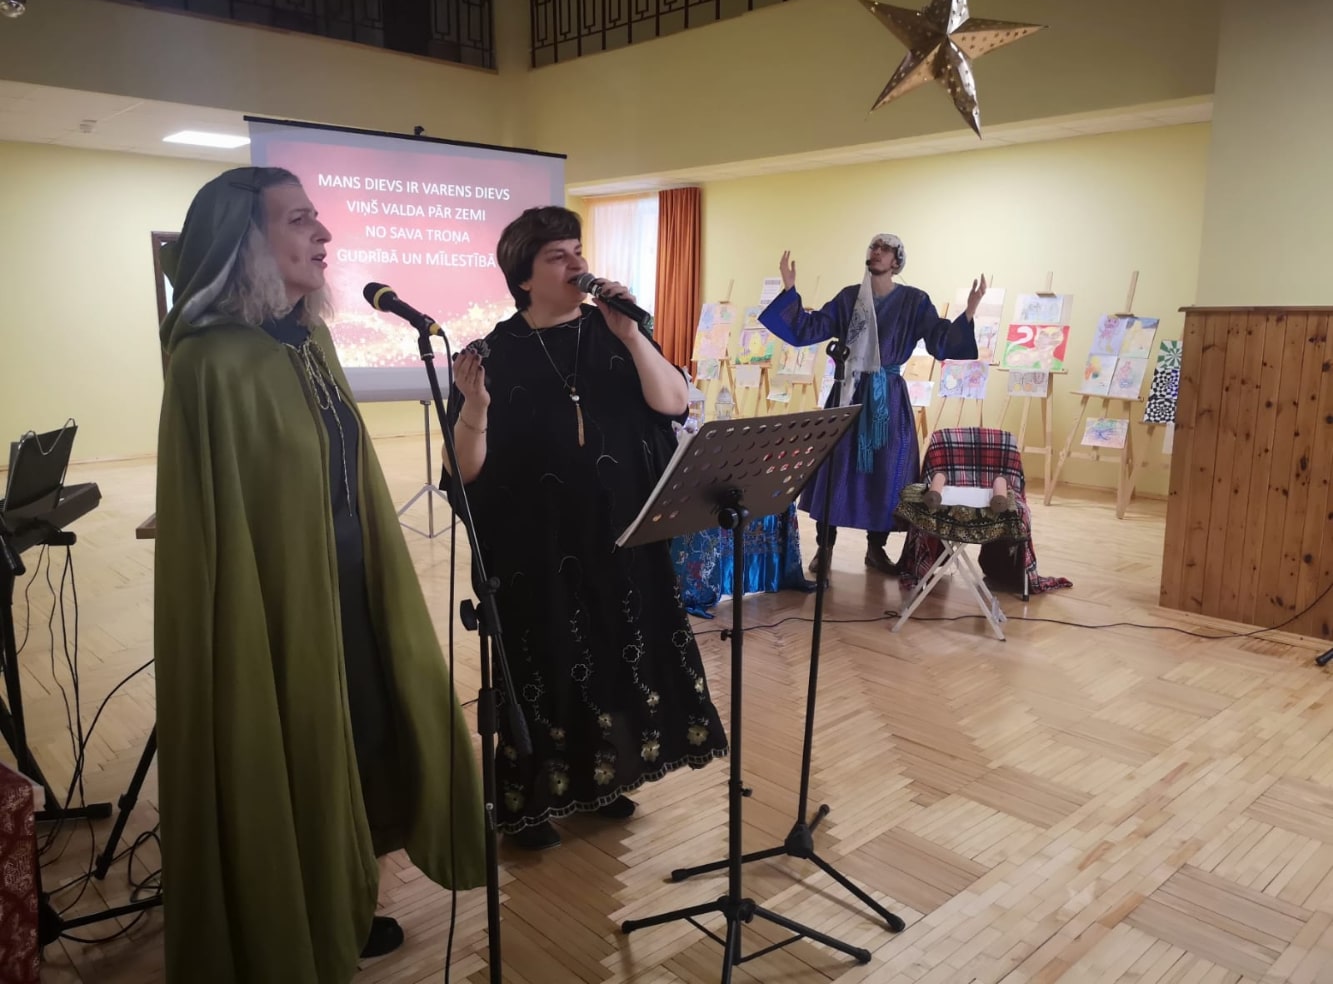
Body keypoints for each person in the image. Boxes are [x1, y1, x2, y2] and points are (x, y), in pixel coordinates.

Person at [154, 166, 486, 983]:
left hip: (352, 587)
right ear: (245, 244)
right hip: (272, 604)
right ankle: (295, 917)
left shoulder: (310, 339)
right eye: (299, 219)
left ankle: (347, 897)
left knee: (362, 738)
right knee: (294, 746)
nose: (323, 233)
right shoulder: (211, 362)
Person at [441, 206, 727, 852]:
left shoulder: (612, 332)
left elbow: (673, 402)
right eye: (557, 256)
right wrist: (476, 409)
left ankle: (602, 778)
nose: (576, 264)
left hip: (619, 538)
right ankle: (531, 803)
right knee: (544, 666)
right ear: (523, 278)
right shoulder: (490, 356)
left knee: (614, 654)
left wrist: (633, 336)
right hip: (533, 549)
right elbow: (462, 471)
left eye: (577, 251)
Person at [758, 234, 986, 577]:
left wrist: (969, 311)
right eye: (873, 247)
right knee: (835, 468)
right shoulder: (849, 298)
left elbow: (940, 340)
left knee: (888, 470)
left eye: (885, 249)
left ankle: (875, 548)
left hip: (888, 399)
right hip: (848, 393)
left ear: (897, 261)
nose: (876, 252)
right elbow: (809, 328)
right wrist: (790, 291)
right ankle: (824, 548)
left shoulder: (914, 301)